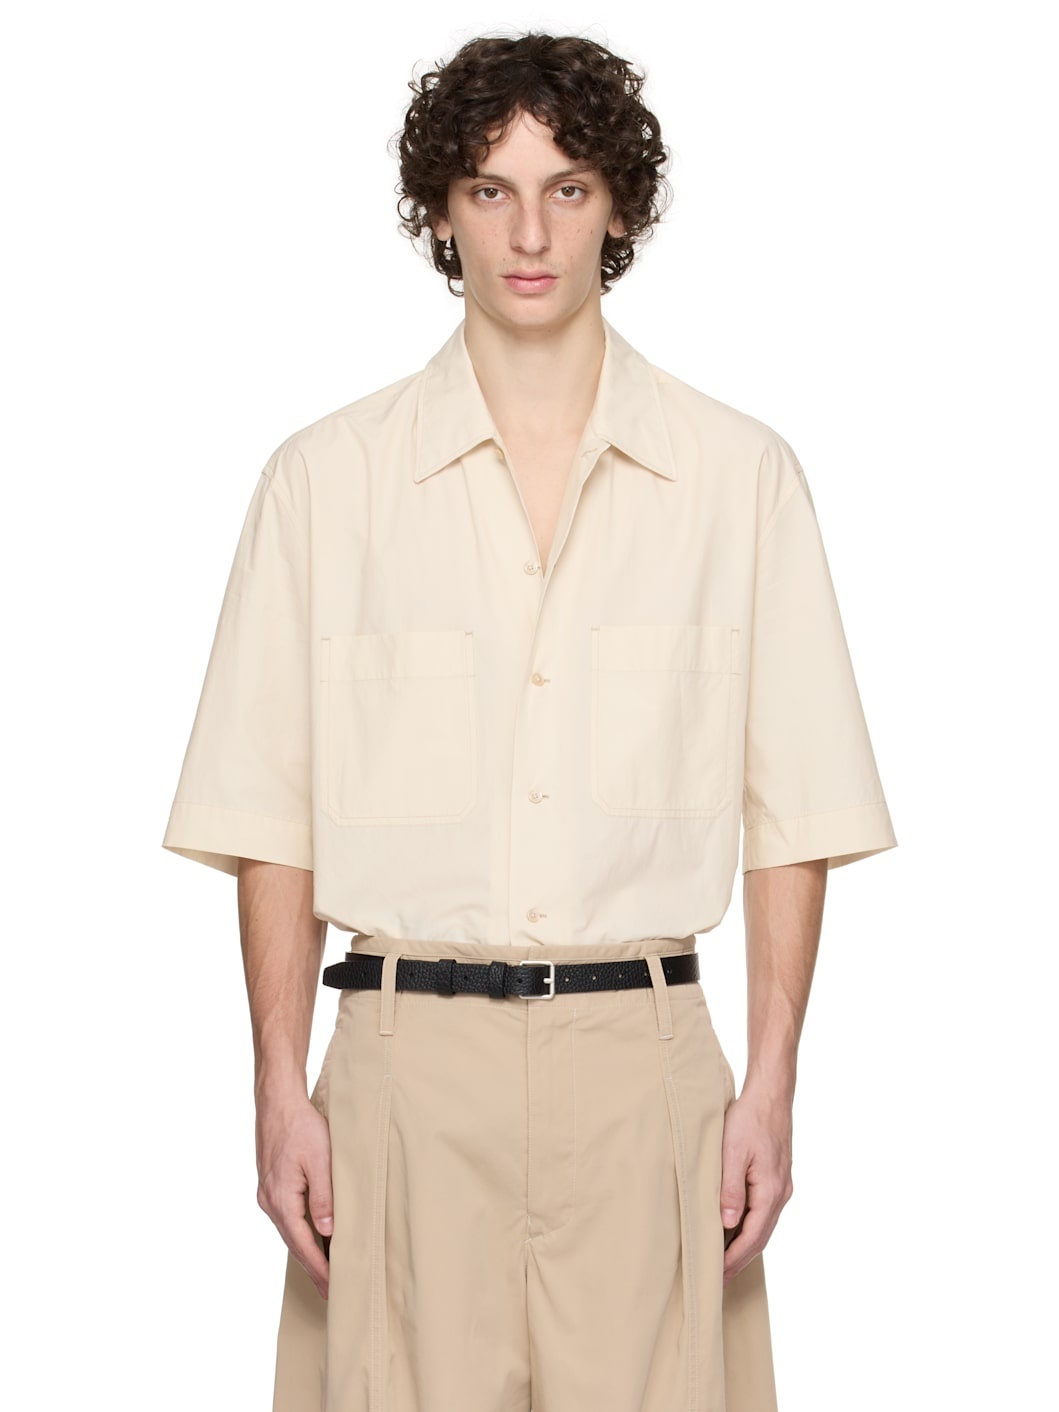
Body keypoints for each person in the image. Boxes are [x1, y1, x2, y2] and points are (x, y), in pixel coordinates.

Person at [162, 30, 897, 1412]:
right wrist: (276, 1086)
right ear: (441, 214)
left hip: (645, 1069)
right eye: (490, 191)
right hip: (403, 1075)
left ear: (618, 208)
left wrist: (773, 1085)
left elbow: (793, 813)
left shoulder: (739, 480)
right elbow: (271, 817)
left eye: (567, 188)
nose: (530, 233)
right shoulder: (325, 484)